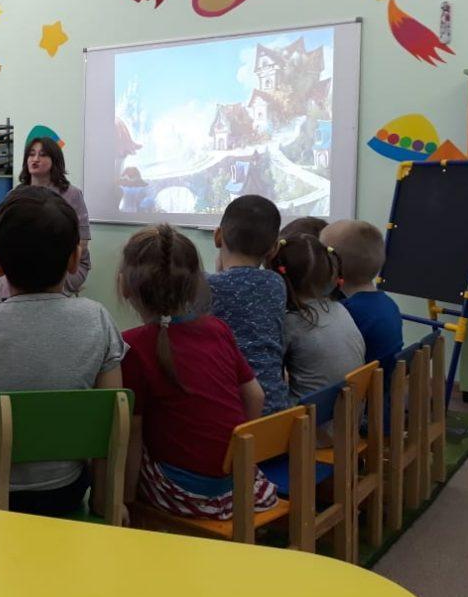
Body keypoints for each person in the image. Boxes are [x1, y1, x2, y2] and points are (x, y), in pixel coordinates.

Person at [0, 187, 126, 516]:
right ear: (75, 258)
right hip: (60, 494)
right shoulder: (98, 321)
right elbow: (110, 419)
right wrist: (107, 502)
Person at [119, 224, 274, 520]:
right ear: (195, 284)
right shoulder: (218, 329)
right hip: (240, 484)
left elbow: (130, 439)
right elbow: (256, 396)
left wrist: (126, 499)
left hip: (184, 493)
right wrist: (239, 458)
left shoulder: (131, 346)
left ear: (124, 285)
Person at [208, 195, 291, 415]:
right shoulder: (276, 284)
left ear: (218, 236)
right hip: (276, 414)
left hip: (232, 412)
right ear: (273, 249)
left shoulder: (207, 286)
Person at [272, 235, 365, 402]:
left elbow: (269, 373)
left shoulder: (291, 321)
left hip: (312, 422)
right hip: (350, 416)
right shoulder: (339, 308)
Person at [0, 137, 91, 297]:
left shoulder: (72, 194)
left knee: (42, 283)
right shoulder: (14, 195)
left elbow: (82, 242)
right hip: (23, 262)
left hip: (64, 264)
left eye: (42, 155)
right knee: (11, 280)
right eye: (31, 154)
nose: (35, 159)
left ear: (54, 160)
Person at [320, 220, 402, 376]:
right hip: (382, 392)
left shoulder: (346, 313)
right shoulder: (388, 303)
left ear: (333, 266)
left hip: (361, 397)